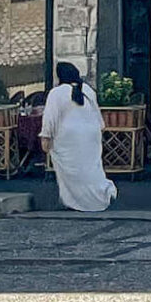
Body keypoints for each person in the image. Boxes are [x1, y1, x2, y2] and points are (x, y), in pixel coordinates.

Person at [39, 63, 113, 213]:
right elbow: (98, 116)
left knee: (70, 172)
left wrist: (46, 136)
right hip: (91, 134)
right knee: (91, 167)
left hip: (68, 137)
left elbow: (50, 117)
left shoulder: (56, 93)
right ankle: (101, 193)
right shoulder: (88, 90)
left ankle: (73, 200)